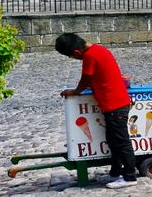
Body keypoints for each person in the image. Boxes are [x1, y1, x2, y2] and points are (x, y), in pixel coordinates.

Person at [56, 33, 137, 189]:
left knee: (121, 142)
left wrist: (75, 91)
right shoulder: (99, 49)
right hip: (113, 104)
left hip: (115, 104)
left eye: (72, 57)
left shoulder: (90, 56)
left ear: (76, 53)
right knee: (113, 141)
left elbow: (85, 78)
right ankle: (115, 172)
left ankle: (129, 176)